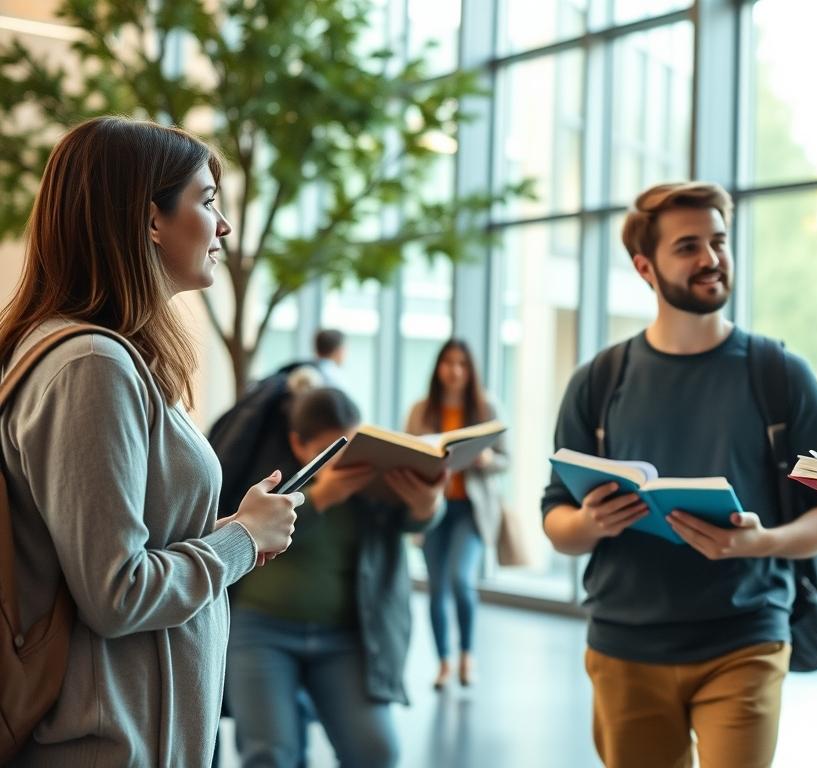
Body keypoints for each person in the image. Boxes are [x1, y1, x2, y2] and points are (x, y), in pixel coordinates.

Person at [0, 116, 301, 765]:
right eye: (207, 200)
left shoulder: (101, 359)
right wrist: (241, 540)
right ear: (152, 220)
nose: (223, 227)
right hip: (110, 745)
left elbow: (115, 544)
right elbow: (118, 593)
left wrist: (225, 528)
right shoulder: (91, 366)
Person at [541, 181, 817, 768]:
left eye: (718, 241)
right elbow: (556, 523)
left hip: (746, 636)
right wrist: (590, 522)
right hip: (624, 644)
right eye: (688, 246)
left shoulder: (780, 375)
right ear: (645, 267)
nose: (711, 258)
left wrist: (763, 543)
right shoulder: (599, 381)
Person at [226, 386, 447, 767]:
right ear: (299, 444)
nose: (344, 459)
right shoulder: (270, 481)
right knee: (271, 754)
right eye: (331, 451)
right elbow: (247, 533)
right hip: (262, 632)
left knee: (377, 750)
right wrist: (323, 494)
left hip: (344, 638)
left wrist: (429, 505)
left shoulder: (371, 485)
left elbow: (410, 520)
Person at [404, 338, 508, 689]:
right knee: (436, 588)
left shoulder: (486, 405)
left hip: (471, 509)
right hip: (433, 508)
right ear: (438, 367)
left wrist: (487, 459)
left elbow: (507, 458)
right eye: (448, 363)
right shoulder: (421, 410)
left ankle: (467, 654)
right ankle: (444, 662)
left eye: (462, 364)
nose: (455, 371)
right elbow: (404, 455)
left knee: (461, 579)